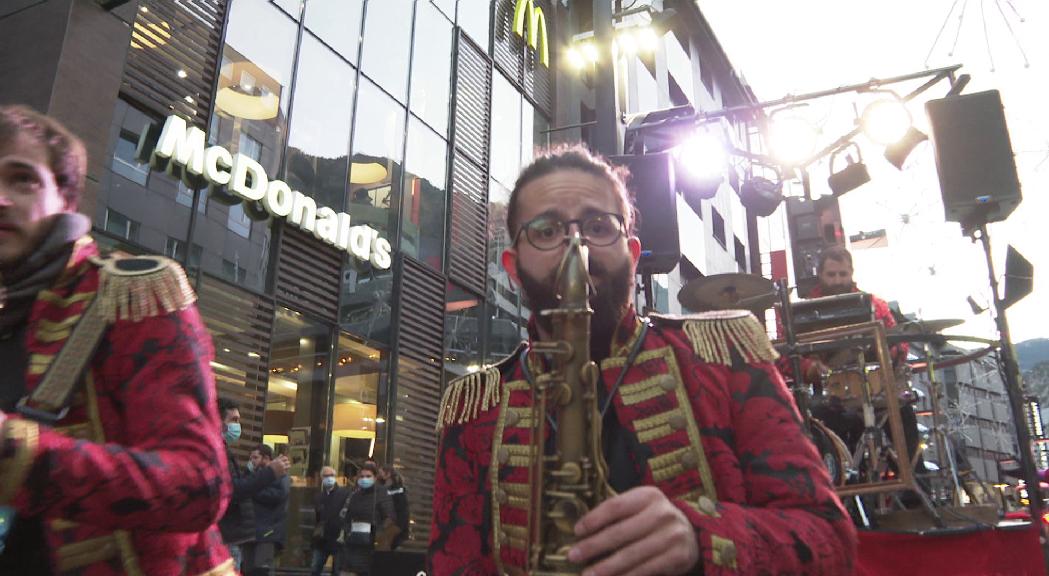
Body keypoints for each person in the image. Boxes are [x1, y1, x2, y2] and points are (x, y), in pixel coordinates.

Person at [428, 146, 856, 576]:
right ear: (513, 266)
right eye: (545, 230)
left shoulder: (725, 357)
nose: (577, 247)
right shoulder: (475, 407)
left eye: (598, 226)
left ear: (633, 254)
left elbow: (829, 539)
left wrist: (701, 536)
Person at [0, 104, 233, 574]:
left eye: (21, 179)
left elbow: (200, 484)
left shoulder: (133, 292)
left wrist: (14, 453)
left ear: (66, 198)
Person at [801, 248, 923, 474]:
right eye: (831, 275)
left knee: (902, 413)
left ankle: (915, 485)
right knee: (822, 421)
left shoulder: (875, 304)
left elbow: (900, 342)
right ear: (820, 274)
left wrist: (891, 352)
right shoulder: (802, 310)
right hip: (829, 395)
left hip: (875, 389)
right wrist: (808, 368)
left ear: (851, 273)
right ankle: (847, 486)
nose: (838, 281)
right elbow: (787, 357)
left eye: (842, 274)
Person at [217, 398, 289, 571]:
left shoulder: (278, 478)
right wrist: (266, 475)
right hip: (231, 534)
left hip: (259, 534)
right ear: (219, 422)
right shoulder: (217, 451)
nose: (237, 426)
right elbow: (234, 489)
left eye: (238, 420)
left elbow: (273, 496)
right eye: (233, 420)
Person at [339, 462, 397, 576]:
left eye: (368, 476)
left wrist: (378, 533)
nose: (364, 479)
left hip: (371, 545)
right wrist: (347, 531)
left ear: (375, 478)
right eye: (362, 476)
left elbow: (390, 517)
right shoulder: (355, 495)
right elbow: (347, 517)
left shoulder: (382, 493)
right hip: (353, 542)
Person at [243, 444, 290, 576]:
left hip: (268, 532)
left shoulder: (280, 476)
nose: (252, 461)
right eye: (250, 458)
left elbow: (277, 496)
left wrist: (252, 491)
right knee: (248, 570)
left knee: (261, 569)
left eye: (255, 457)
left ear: (266, 458)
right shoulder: (254, 475)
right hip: (251, 531)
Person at [311, 466, 349, 576]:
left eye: (331, 475)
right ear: (322, 478)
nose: (329, 478)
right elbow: (317, 517)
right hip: (321, 539)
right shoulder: (318, 497)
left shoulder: (344, 493)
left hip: (338, 538)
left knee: (337, 570)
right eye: (326, 476)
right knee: (315, 568)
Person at [379, 465, 409, 550]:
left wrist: (390, 520)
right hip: (398, 524)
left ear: (388, 474)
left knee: (384, 544)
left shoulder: (394, 490)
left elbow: (397, 508)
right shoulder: (396, 489)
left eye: (381, 473)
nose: (379, 476)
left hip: (396, 523)